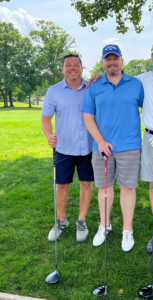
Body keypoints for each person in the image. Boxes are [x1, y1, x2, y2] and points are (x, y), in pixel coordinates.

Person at [87, 41, 153, 267]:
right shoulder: (144, 79)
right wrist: (95, 76)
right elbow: (114, 79)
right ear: (152, 57)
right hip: (148, 139)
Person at [81, 44, 144, 252]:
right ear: (103, 63)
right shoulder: (95, 86)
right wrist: (99, 141)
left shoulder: (136, 84)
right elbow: (88, 117)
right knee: (104, 188)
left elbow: (150, 110)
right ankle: (105, 225)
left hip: (130, 146)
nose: (112, 62)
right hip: (101, 147)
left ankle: (127, 230)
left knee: (127, 187)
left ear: (122, 60)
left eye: (115, 58)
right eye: (108, 59)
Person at [41, 54, 94, 243]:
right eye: (68, 65)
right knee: (61, 185)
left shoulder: (91, 87)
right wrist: (49, 135)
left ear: (81, 67)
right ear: (62, 69)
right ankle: (61, 221)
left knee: (86, 184)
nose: (73, 68)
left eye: (76, 64)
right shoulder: (54, 91)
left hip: (88, 147)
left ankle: (81, 220)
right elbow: (46, 118)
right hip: (63, 148)